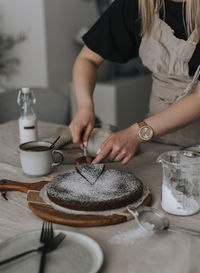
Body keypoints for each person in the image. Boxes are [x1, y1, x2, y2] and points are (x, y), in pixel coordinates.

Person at [69, 0, 200, 164]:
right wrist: (85, 106)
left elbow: (198, 99)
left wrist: (136, 133)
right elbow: (87, 59)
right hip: (158, 141)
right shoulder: (136, 5)